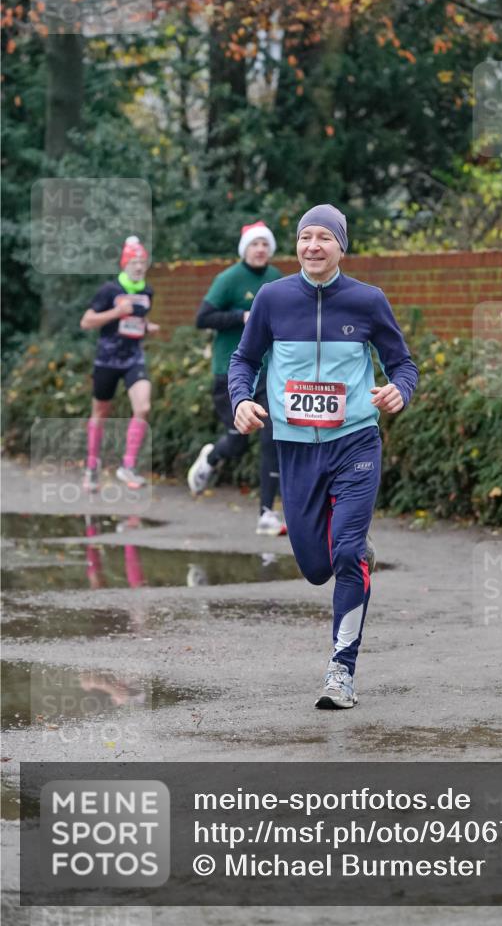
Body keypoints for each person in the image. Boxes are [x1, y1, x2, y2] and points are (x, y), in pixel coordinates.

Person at [228, 204, 418, 708]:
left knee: (348, 555)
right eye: (306, 237)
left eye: (324, 238)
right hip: (294, 449)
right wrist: (242, 399)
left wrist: (399, 390)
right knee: (316, 567)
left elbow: (402, 363)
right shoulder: (272, 298)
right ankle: (349, 549)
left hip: (355, 441)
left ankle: (342, 670)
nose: (313, 245)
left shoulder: (367, 301)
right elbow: (243, 359)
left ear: (341, 246)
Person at [187, 221, 286, 536]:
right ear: (245, 249)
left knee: (272, 436)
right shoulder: (228, 279)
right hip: (230, 373)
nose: (260, 250)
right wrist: (242, 317)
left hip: (268, 373)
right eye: (254, 244)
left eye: (264, 244)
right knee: (238, 442)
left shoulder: (276, 279)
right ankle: (213, 457)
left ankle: (267, 513)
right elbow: (202, 318)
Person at [80, 236, 159, 491]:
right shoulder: (109, 290)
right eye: (134, 262)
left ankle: (128, 466)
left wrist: (148, 326)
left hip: (133, 358)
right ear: (124, 264)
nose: (138, 267)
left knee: (143, 406)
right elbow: (87, 322)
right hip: (107, 360)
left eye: (142, 262)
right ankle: (92, 467)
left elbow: (136, 323)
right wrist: (116, 312)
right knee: (100, 413)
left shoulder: (147, 291)